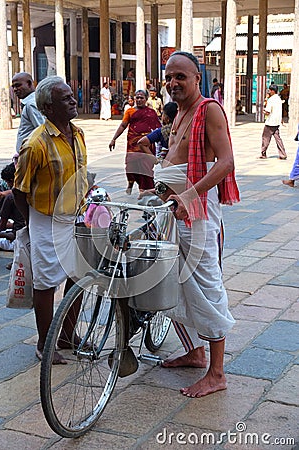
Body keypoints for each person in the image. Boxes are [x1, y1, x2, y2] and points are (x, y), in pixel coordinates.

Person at [155, 51, 239, 398]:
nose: (173, 83)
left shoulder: (209, 109)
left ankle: (217, 373)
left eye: (180, 77)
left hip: (198, 216)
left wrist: (188, 195)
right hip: (173, 213)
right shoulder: (180, 113)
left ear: (196, 79)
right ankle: (195, 351)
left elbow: (226, 161)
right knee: (170, 282)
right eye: (168, 77)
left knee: (206, 285)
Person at [13, 76, 88, 364]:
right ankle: (44, 343)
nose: (73, 101)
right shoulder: (36, 143)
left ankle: (68, 335)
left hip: (75, 215)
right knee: (45, 282)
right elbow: (20, 191)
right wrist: (30, 223)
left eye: (72, 96)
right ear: (49, 107)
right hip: (45, 219)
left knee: (78, 275)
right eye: (66, 99)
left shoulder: (78, 133)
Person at [109, 89, 161, 196]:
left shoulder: (151, 112)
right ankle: (131, 183)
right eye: (137, 97)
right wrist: (114, 139)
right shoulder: (130, 111)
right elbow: (123, 125)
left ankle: (145, 189)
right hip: (133, 143)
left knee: (146, 167)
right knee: (130, 166)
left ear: (146, 99)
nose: (139, 100)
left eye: (141, 97)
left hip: (147, 144)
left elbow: (158, 129)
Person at [11, 72, 45, 155]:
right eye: (13, 87)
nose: (15, 89)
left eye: (18, 85)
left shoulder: (31, 104)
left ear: (29, 84)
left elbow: (43, 129)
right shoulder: (31, 102)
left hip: (32, 154)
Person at [258, 84, 287, 160]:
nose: (269, 92)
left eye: (270, 90)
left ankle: (263, 153)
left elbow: (268, 111)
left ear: (273, 91)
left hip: (270, 122)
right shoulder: (278, 99)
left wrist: (264, 111)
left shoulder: (271, 100)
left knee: (265, 138)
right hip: (276, 122)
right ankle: (283, 154)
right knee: (278, 138)